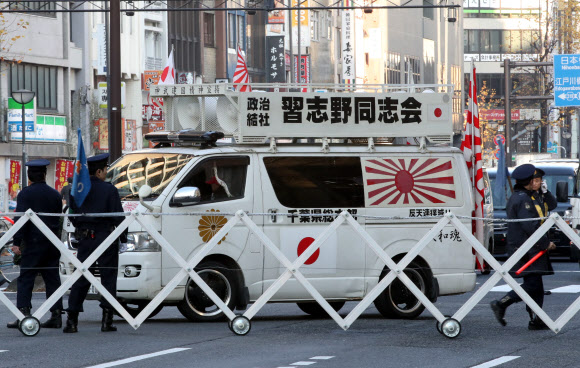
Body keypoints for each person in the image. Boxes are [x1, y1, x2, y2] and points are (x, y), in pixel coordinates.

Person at [490, 163, 557, 330]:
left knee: (537, 286)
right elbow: (530, 226)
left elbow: (553, 205)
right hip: (526, 248)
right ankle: (502, 303)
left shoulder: (532, 196)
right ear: (529, 181)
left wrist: (545, 192)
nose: (540, 182)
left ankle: (536, 319)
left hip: (533, 248)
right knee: (532, 285)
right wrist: (545, 243)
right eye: (537, 180)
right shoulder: (522, 199)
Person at [64, 153, 125, 333]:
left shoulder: (78, 189)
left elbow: (72, 215)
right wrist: (123, 238)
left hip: (85, 239)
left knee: (81, 277)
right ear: (99, 171)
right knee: (108, 277)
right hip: (105, 238)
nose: (106, 173)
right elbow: (119, 217)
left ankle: (72, 320)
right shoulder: (109, 190)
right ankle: (107, 321)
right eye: (105, 170)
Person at [6, 159, 64, 329]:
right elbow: (58, 219)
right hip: (52, 243)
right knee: (52, 279)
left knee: (26, 278)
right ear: (45, 174)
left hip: (32, 242)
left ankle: (23, 314)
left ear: (29, 175)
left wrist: (17, 242)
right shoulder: (55, 194)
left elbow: (21, 219)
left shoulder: (25, 194)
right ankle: (56, 314)